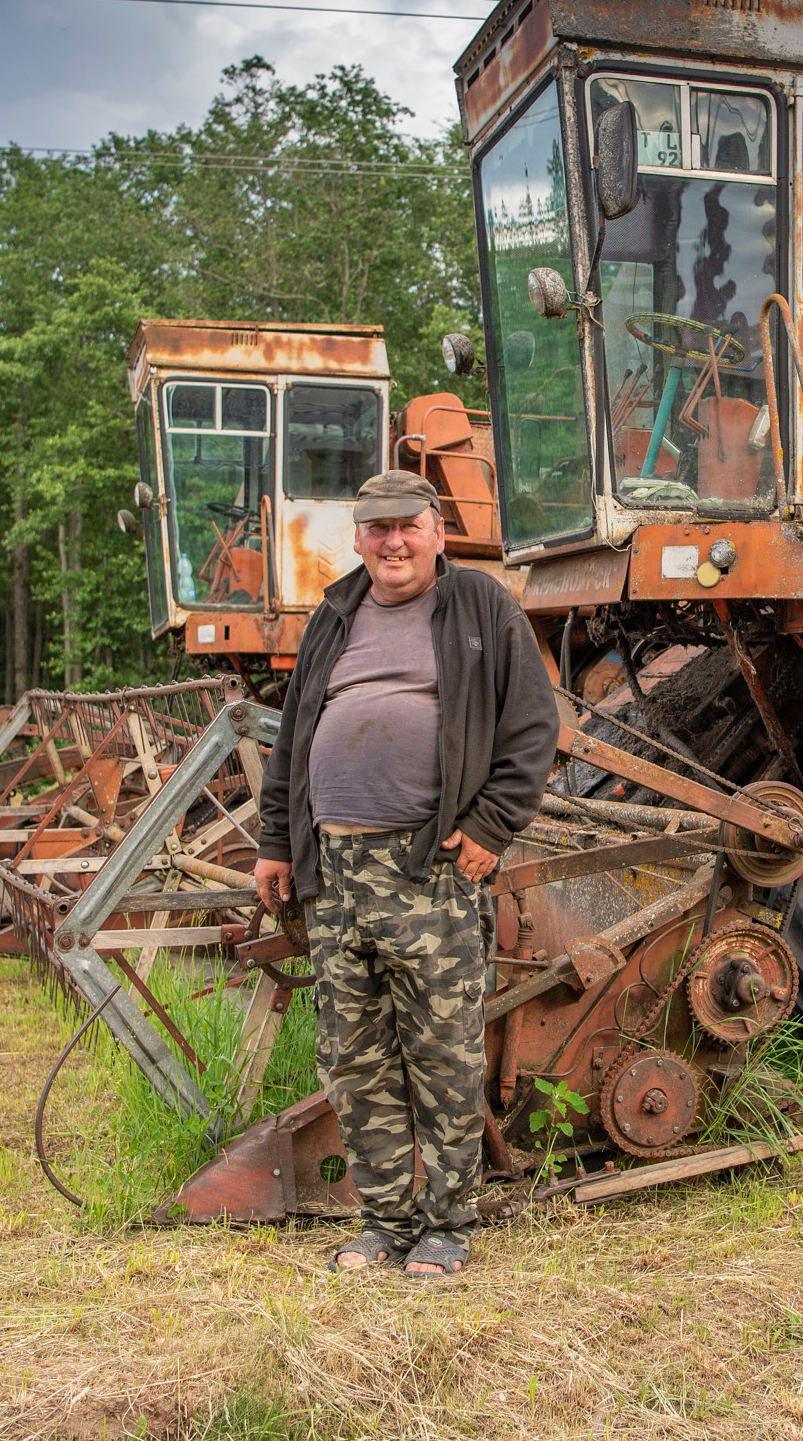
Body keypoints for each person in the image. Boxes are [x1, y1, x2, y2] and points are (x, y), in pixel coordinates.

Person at [253, 469, 558, 1279]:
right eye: (377, 527)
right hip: (336, 872)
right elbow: (292, 739)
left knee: (441, 1051)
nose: (393, 541)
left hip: (426, 867)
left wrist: (491, 824)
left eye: (408, 526)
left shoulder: (480, 609)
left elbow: (532, 724)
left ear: (438, 533)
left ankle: (448, 1224)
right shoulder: (333, 614)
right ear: (357, 538)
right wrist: (277, 840)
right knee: (353, 1055)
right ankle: (384, 1219)